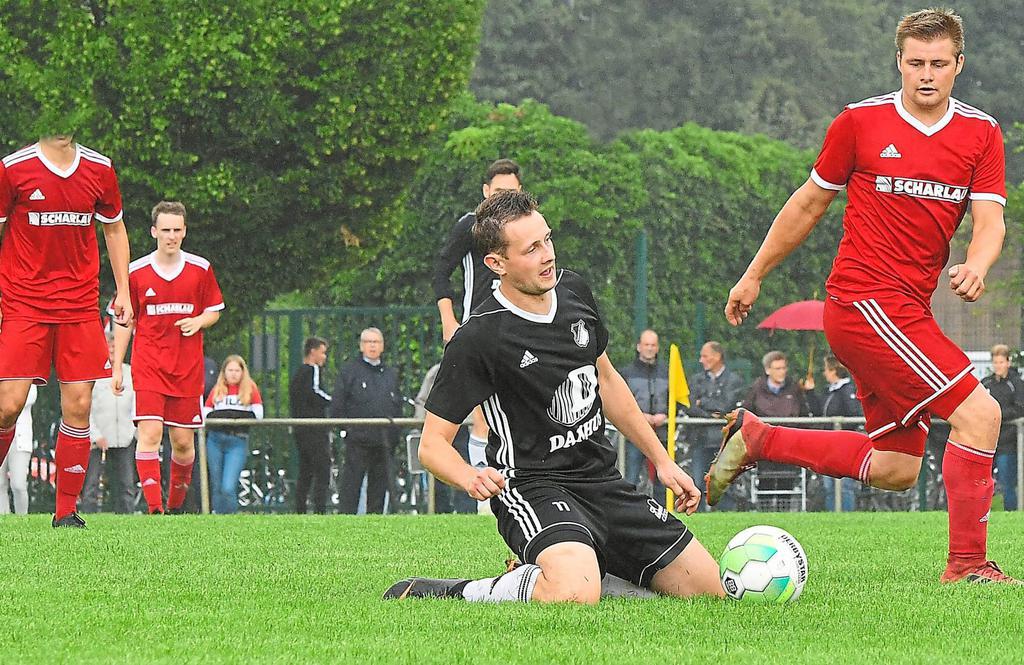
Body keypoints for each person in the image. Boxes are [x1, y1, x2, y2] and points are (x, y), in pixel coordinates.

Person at [711, 9, 1018, 583]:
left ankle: (761, 436)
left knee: (898, 468)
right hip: (864, 303)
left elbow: (991, 221)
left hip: (905, 311)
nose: (926, 75)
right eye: (915, 63)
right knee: (982, 414)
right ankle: (969, 567)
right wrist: (754, 274)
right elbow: (807, 203)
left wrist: (977, 263)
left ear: (959, 65)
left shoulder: (981, 133)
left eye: (939, 64)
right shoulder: (860, 122)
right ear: (899, 61)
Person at [384, 190, 722, 602]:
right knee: (573, 596)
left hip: (601, 479)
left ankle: (591, 573)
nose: (548, 255)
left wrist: (662, 461)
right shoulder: (479, 337)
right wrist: (470, 476)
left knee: (706, 590)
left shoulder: (575, 291)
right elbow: (432, 445)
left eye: (547, 239)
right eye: (531, 248)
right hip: (532, 487)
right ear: (496, 264)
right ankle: (469, 591)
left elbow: (608, 380)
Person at [0, 134, 132, 528]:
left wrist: (123, 289)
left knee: (79, 405)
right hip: (24, 302)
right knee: (9, 403)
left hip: (78, 306)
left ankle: (66, 513)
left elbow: (114, 229)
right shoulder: (12, 168)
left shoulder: (100, 168)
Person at [113, 201, 224, 515]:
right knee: (149, 433)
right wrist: (118, 367)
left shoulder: (200, 269)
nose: (171, 236)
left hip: (187, 368)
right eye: (165, 230)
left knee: (183, 444)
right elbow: (124, 321)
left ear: (184, 231)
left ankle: (175, 508)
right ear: (154, 232)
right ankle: (154, 509)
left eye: (177, 230)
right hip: (148, 365)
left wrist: (199, 321)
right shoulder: (135, 272)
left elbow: (214, 309)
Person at [432, 159, 524, 482]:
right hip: (479, 328)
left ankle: (518, 483)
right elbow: (441, 272)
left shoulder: (528, 230)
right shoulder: (470, 227)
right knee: (482, 410)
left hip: (519, 328)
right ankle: (484, 491)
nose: (503, 199)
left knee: (520, 406)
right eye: (498, 192)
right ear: (486, 192)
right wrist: (448, 320)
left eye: (510, 192)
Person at [331, 327, 403, 514]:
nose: (372, 345)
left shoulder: (390, 374)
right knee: (351, 486)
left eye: (376, 342)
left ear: (382, 346)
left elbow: (397, 404)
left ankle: (375, 524)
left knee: (379, 488)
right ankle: (345, 522)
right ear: (361, 346)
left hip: (384, 441)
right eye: (368, 342)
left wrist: (394, 433)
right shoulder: (350, 372)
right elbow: (338, 404)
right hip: (358, 440)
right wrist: (346, 429)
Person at [82, 332, 138, 514]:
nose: (112, 350)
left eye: (116, 346)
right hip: (98, 439)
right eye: (109, 346)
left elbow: (138, 402)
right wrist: (96, 435)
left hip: (125, 437)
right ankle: (88, 519)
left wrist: (134, 432)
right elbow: (84, 407)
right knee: (91, 485)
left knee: (126, 485)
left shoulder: (130, 373)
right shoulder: (93, 372)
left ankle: (126, 522)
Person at [685, 341, 745, 510]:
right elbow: (690, 406)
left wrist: (703, 401)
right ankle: (697, 517)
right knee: (697, 482)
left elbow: (726, 407)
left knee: (724, 483)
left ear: (717, 356)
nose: (701, 360)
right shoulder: (696, 380)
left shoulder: (734, 380)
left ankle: (726, 517)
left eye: (705, 356)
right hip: (700, 440)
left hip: (723, 442)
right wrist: (707, 414)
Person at [203, 355, 264, 514]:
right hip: (215, 440)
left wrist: (232, 416)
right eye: (230, 370)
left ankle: (230, 518)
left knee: (228, 486)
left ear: (243, 372)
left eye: (237, 370)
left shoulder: (250, 389)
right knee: (216, 485)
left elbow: (258, 414)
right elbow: (206, 413)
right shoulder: (217, 390)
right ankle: (218, 519)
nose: (234, 374)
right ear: (224, 372)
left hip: (237, 441)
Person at [805, 354, 864, 512]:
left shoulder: (847, 390)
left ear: (834, 371)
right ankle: (834, 514)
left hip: (844, 445)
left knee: (845, 485)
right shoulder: (830, 391)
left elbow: (854, 413)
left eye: (826, 370)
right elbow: (819, 412)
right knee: (829, 485)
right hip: (829, 444)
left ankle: (847, 515)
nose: (824, 373)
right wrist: (810, 393)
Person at [618, 329, 669, 503]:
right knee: (631, 477)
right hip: (635, 435)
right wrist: (640, 416)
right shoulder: (627, 372)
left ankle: (665, 514)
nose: (649, 348)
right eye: (646, 344)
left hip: (662, 434)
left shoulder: (667, 372)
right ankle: (628, 512)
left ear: (657, 348)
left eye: (653, 345)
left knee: (664, 479)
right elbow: (620, 400)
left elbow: (677, 400)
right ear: (638, 347)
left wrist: (666, 413)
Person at [289, 336, 333, 514]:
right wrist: (334, 402)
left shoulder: (298, 373)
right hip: (314, 429)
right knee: (322, 468)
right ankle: (320, 509)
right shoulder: (311, 370)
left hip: (301, 429)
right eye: (323, 353)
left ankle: (300, 509)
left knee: (306, 470)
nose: (324, 357)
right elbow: (315, 392)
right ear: (313, 352)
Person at [981, 344, 1024, 511]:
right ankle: (982, 514)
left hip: (1008, 442)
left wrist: (997, 413)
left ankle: (1010, 513)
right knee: (982, 482)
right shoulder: (986, 383)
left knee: (1007, 483)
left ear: (1008, 362)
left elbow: (1019, 408)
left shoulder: (1017, 384)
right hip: (987, 441)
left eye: (1001, 362)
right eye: (995, 362)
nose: (998, 366)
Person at [0, 385, 36, 515]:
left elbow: (24, 400)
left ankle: (22, 516)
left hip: (20, 439)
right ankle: (3, 515)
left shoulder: (27, 380)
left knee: (18, 484)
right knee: (0, 483)